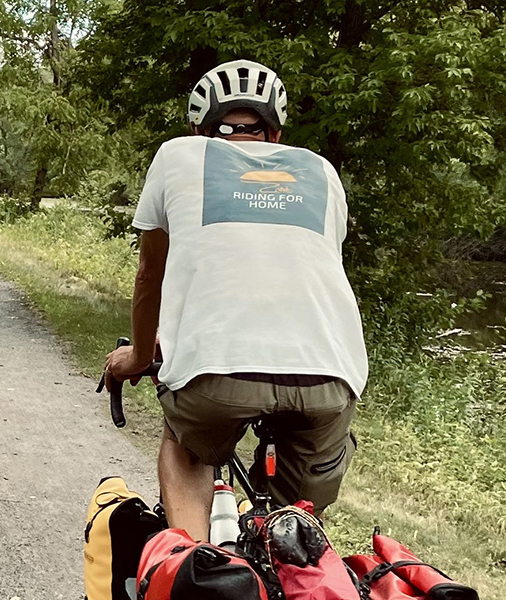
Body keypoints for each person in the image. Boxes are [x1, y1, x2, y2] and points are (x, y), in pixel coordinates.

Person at [104, 59, 368, 541]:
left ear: (200, 129)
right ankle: (297, 567)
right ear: (276, 132)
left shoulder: (179, 155)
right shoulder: (321, 172)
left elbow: (150, 274)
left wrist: (140, 357)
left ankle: (191, 566)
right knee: (299, 525)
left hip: (216, 372)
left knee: (187, 448)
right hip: (331, 374)